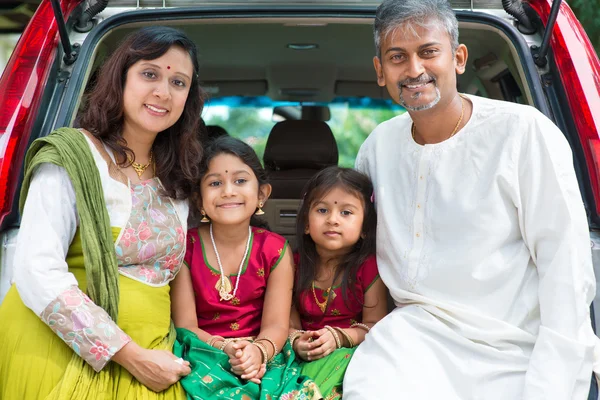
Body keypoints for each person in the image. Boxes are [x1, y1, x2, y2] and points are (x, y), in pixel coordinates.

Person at [342, 0, 599, 399]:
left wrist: (553, 384)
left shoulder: (523, 133)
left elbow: (566, 273)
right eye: (397, 57)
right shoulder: (378, 147)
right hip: (409, 342)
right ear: (380, 71)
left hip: (514, 348)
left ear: (458, 58)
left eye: (428, 51)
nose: (413, 70)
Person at [0, 26, 204, 399]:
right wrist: (128, 354)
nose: (163, 91)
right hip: (59, 353)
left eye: (179, 82)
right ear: (120, 76)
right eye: (149, 74)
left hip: (154, 357)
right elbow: (35, 269)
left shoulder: (179, 175)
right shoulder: (73, 157)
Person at [171, 135, 321, 400]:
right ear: (198, 199)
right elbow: (186, 326)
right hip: (203, 350)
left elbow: (277, 324)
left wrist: (257, 352)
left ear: (262, 194)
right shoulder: (186, 246)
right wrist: (226, 348)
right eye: (215, 183)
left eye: (240, 181)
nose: (228, 191)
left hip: (263, 352)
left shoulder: (275, 250)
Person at [289, 166, 387, 399]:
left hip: (350, 353)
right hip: (302, 355)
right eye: (322, 210)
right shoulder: (291, 265)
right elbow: (287, 325)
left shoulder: (370, 267)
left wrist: (339, 337)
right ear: (305, 223)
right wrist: (296, 342)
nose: (333, 220)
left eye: (346, 213)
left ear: (364, 228)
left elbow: (375, 326)